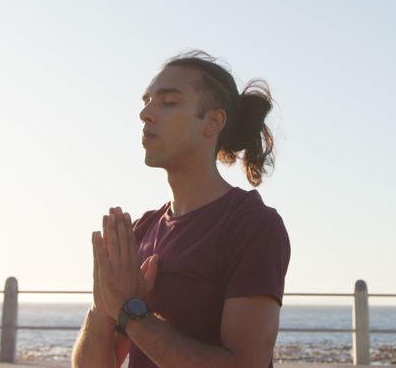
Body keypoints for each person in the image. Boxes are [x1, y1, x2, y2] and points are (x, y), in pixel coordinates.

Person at [72, 51, 290, 368]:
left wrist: (130, 311)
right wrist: (101, 305)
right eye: (146, 101)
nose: (146, 113)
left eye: (169, 102)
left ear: (213, 121)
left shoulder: (252, 225)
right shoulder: (142, 229)